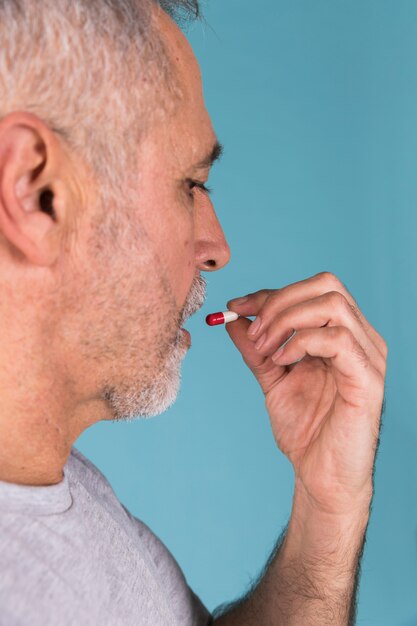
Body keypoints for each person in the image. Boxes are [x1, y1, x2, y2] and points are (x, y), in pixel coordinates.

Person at [0, 1, 387, 624]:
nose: (217, 249)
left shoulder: (62, 489)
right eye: (190, 184)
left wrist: (329, 512)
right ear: (34, 192)